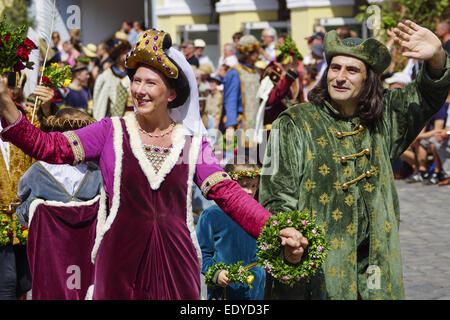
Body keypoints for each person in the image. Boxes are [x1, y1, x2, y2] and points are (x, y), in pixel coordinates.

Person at [0, 28, 305, 300]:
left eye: (150, 82)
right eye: (136, 80)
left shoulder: (191, 144)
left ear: (172, 93)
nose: (139, 89)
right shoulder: (109, 131)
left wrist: (275, 228)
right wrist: (6, 104)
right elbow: (48, 146)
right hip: (118, 264)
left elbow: (230, 194)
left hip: (176, 267)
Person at [259, 20, 450, 300]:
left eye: (352, 70)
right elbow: (276, 193)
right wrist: (288, 233)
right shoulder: (295, 122)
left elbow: (424, 95)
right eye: (335, 68)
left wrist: (437, 57)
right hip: (317, 267)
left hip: (375, 265)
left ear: (368, 79)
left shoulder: (385, 118)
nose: (340, 77)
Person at [0, 72, 55, 300]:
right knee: (7, 281)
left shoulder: (24, 121)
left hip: (23, 215)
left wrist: (47, 110)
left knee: (25, 280)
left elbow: (48, 142)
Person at [197, 157, 266, 300]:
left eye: (253, 186)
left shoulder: (260, 214)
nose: (249, 191)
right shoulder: (211, 215)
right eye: (244, 185)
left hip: (255, 286)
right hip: (226, 288)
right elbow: (203, 255)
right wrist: (216, 274)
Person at [221, 34, 262, 151]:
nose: (258, 54)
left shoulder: (257, 71)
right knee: (243, 163)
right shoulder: (235, 72)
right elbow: (230, 100)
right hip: (242, 124)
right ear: (247, 53)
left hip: (257, 124)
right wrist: (230, 125)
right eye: (255, 52)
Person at [93, 40, 132, 119]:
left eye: (128, 51)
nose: (128, 55)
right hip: (114, 118)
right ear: (117, 55)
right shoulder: (106, 76)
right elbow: (100, 104)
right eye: (124, 53)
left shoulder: (132, 73)